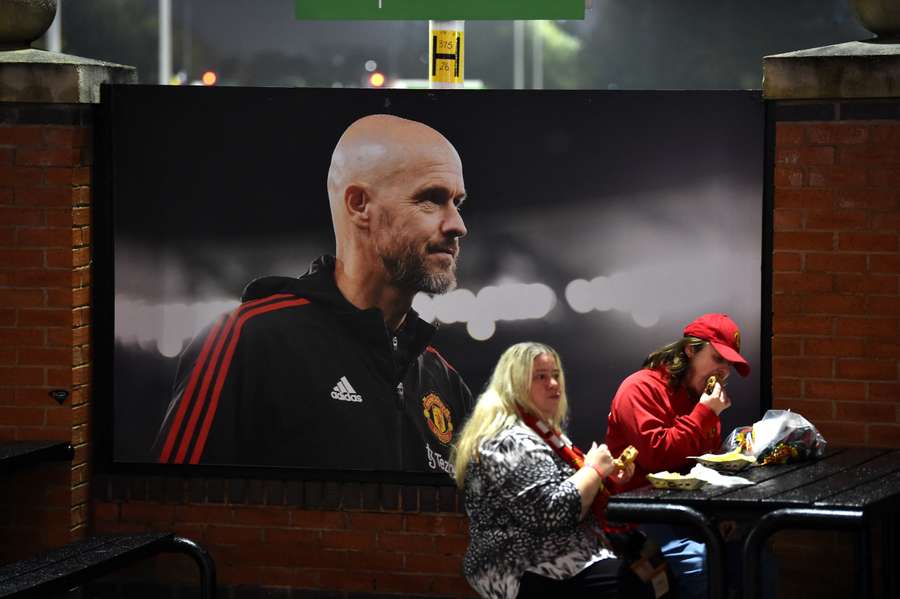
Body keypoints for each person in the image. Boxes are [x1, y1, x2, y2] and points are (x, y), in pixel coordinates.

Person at [153, 114, 474, 473]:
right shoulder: (248, 340)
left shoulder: (445, 382)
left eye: (457, 203)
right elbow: (170, 512)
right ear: (358, 205)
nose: (457, 225)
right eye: (431, 199)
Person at [453, 342, 638, 599]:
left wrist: (603, 476)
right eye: (541, 376)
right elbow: (551, 513)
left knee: (645, 567)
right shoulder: (508, 440)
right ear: (514, 384)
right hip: (518, 564)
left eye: (555, 375)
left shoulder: (542, 430)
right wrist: (594, 470)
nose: (553, 384)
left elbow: (566, 488)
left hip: (562, 552)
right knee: (629, 585)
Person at [605, 312, 751, 599]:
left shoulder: (700, 399)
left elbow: (701, 467)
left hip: (688, 512)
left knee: (754, 553)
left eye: (731, 364)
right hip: (640, 515)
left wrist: (720, 513)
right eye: (718, 359)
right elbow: (658, 455)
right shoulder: (640, 387)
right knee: (699, 564)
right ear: (690, 350)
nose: (725, 371)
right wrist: (706, 413)